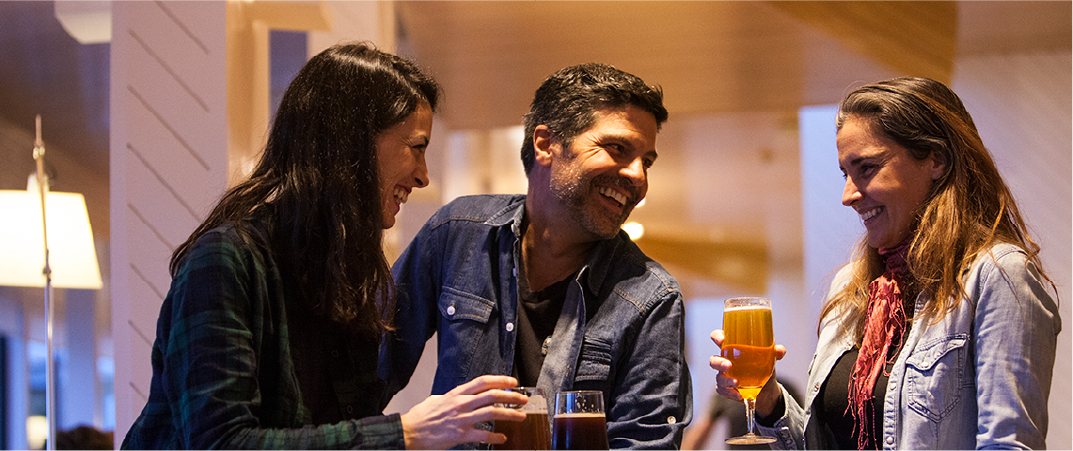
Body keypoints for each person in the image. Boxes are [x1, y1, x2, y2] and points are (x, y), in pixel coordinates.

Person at [120, 42, 527, 451]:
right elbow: (220, 443)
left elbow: (338, 430)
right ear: (353, 142)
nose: (423, 176)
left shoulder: (347, 276)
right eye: (416, 147)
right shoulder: (226, 260)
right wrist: (406, 433)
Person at [710, 77, 1060, 450]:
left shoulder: (997, 276)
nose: (848, 195)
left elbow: (1008, 443)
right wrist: (769, 401)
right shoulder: (851, 289)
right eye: (846, 174)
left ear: (937, 160)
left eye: (867, 168)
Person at [380, 63, 692, 450]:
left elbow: (646, 443)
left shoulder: (652, 298)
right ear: (545, 145)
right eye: (617, 149)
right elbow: (365, 372)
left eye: (646, 161)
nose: (638, 177)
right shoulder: (457, 233)